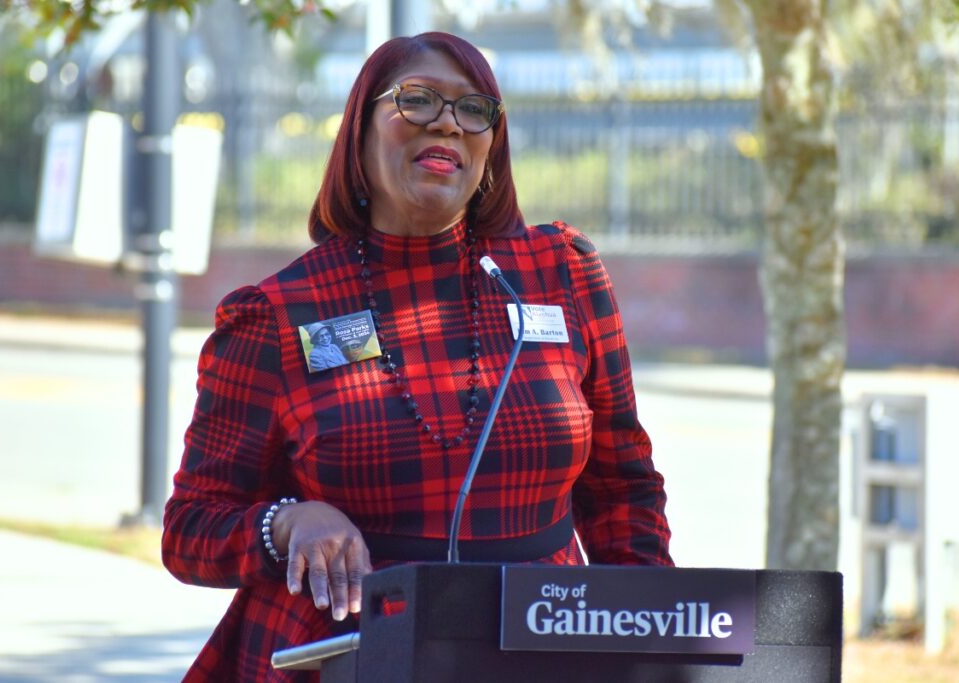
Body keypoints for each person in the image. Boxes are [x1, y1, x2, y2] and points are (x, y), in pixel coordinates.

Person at [162, 31, 673, 681]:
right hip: (345, 654)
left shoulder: (559, 274)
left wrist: (652, 639)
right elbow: (190, 529)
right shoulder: (278, 315)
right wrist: (289, 523)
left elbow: (623, 490)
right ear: (360, 129)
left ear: (492, 145)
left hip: (541, 646)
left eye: (473, 109)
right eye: (418, 100)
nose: (448, 124)